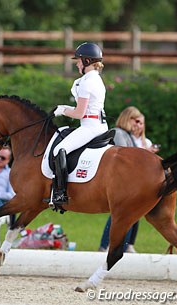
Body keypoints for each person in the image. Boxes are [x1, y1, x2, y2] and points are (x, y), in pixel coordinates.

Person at [52, 42, 108, 206]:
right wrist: (67, 107)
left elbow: (79, 113)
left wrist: (63, 110)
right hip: (100, 124)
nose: (77, 63)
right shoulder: (96, 79)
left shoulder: (86, 82)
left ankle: (60, 193)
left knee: (59, 149)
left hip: (90, 127)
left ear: (87, 61)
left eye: (78, 60)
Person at [98, 106, 142, 253]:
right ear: (127, 119)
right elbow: (126, 157)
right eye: (135, 120)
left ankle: (127, 245)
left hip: (127, 181)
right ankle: (107, 246)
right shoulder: (119, 133)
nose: (138, 124)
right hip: (118, 181)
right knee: (122, 214)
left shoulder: (128, 135)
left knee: (133, 212)